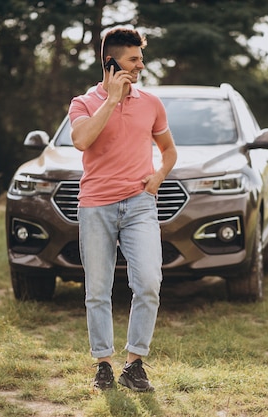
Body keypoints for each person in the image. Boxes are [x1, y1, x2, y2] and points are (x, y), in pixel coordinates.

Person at [68, 27, 177, 392]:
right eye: (133, 59)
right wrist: (111, 101)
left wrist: (159, 176)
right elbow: (82, 140)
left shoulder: (151, 103)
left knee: (148, 281)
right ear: (110, 62)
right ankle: (103, 365)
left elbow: (169, 150)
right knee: (98, 290)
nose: (141, 65)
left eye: (140, 58)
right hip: (96, 206)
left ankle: (134, 364)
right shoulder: (82, 103)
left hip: (139, 205)